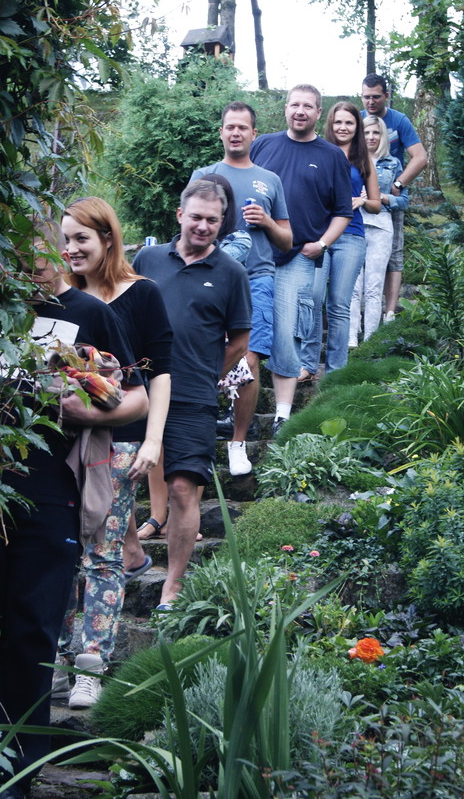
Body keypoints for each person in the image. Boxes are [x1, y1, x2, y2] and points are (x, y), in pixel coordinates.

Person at [0, 221, 148, 798]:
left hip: (50, 488)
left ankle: (19, 772)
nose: (24, 260)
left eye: (34, 247)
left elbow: (137, 398)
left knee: (32, 628)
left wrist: (89, 415)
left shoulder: (90, 313)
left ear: (56, 250)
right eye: (12, 248)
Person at [54, 197, 173, 709]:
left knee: (102, 555)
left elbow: (161, 372)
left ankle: (91, 668)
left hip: (120, 444)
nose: (72, 249)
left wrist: (153, 440)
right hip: (61, 446)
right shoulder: (61, 299)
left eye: (82, 237)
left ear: (108, 238)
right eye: (65, 240)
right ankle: (56, 659)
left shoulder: (141, 295)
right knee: (60, 550)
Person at [133, 180, 252, 607]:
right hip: (138, 393)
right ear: (180, 214)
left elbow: (238, 340)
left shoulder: (231, 273)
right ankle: (127, 552)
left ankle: (173, 585)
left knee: (184, 488)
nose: (203, 226)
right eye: (196, 217)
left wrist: (207, 375)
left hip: (192, 398)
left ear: (222, 223)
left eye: (212, 220)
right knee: (113, 480)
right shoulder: (147, 258)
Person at [190, 100, 292, 474]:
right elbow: (188, 229)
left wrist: (266, 221)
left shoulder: (270, 180)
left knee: (249, 357)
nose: (235, 133)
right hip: (208, 278)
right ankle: (206, 418)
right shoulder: (204, 175)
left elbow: (287, 240)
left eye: (242, 127)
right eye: (229, 126)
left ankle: (237, 443)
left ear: (253, 133)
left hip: (257, 279)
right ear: (221, 132)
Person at [250, 84, 352, 435]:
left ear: (317, 113)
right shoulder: (263, 145)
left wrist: (322, 244)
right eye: (295, 104)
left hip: (298, 257)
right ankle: (237, 411)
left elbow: (342, 212)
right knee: (241, 331)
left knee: (287, 333)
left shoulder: (332, 156)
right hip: (256, 255)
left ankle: (282, 415)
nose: (300, 111)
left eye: (308, 106)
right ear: (285, 108)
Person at [299, 102, 380, 376]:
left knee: (339, 304)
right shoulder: (318, 152)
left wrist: (363, 201)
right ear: (330, 125)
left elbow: (377, 204)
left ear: (356, 127)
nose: (343, 128)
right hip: (320, 234)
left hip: (351, 237)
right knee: (311, 298)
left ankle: (335, 371)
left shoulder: (363, 158)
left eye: (349, 123)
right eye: (338, 123)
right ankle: (308, 364)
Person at [360, 74, 427, 321]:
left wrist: (399, 184)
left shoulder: (399, 120)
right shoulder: (358, 119)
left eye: (376, 97)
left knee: (394, 254)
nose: (370, 102)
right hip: (359, 198)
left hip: (389, 198)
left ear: (386, 96)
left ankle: (388, 312)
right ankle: (358, 312)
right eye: (366, 97)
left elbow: (420, 157)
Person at [349, 116, 410, 345]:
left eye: (376, 133)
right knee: (353, 286)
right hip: (353, 225)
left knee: (374, 287)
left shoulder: (392, 163)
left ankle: (370, 341)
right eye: (366, 133)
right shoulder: (350, 161)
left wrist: (381, 197)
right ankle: (351, 340)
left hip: (381, 226)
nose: (371, 137)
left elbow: (404, 201)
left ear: (383, 136)